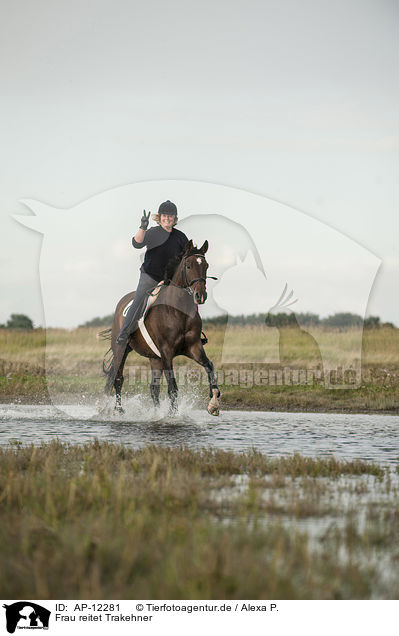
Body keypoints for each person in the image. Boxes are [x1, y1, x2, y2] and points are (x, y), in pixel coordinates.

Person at [116, 200, 188, 345]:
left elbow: (187, 259)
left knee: (189, 298)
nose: (167, 218)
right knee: (139, 300)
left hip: (171, 280)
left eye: (170, 216)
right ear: (159, 217)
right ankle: (123, 334)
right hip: (150, 276)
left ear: (175, 218)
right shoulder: (153, 232)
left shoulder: (180, 237)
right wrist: (143, 227)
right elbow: (137, 243)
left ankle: (193, 335)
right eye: (164, 215)